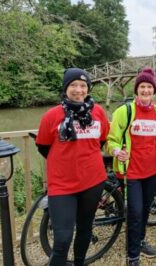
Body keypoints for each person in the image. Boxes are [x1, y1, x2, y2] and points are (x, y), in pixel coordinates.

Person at [106, 67, 156, 266]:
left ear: (154, 90)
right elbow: (111, 140)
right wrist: (116, 151)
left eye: (149, 87)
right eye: (142, 87)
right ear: (136, 90)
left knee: (146, 210)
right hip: (131, 172)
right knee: (135, 213)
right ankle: (133, 255)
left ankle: (140, 241)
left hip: (151, 171)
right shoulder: (125, 111)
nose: (146, 90)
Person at [36, 68, 110, 265]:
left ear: (88, 88)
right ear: (66, 88)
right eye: (74, 85)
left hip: (93, 181)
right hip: (62, 185)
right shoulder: (52, 116)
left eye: (83, 85)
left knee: (85, 229)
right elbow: (43, 146)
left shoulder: (98, 112)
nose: (79, 90)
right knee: (62, 239)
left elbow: (100, 141)